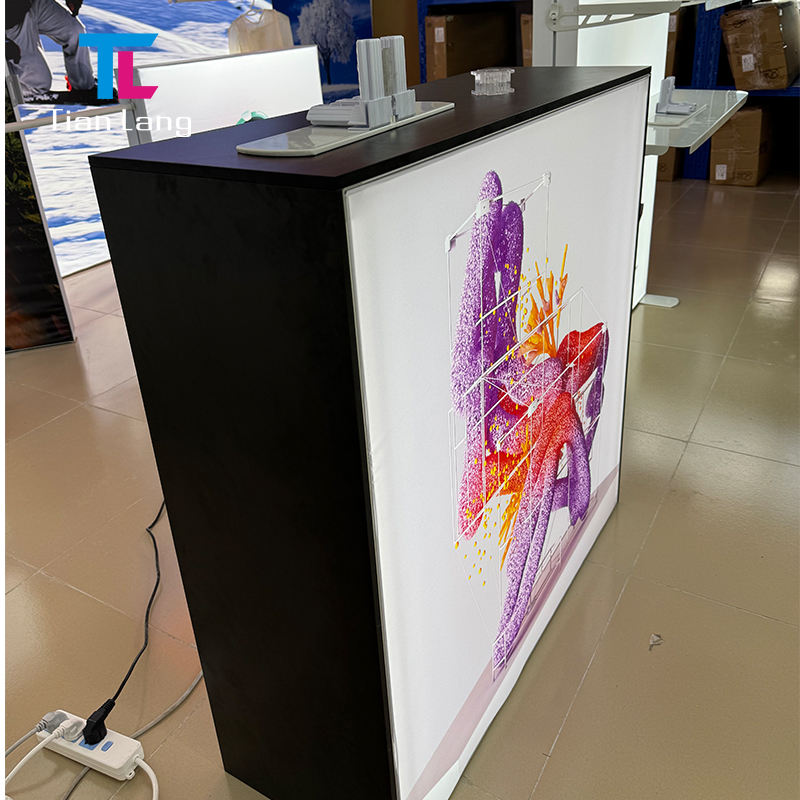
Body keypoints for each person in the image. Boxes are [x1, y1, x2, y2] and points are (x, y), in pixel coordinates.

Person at [5, 0, 94, 102]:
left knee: (75, 31)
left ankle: (84, 86)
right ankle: (21, 92)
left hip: (31, 3)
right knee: (37, 83)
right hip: (10, 20)